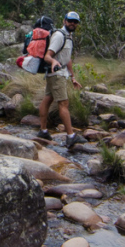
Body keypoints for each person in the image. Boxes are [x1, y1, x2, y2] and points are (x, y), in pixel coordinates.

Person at [37, 11, 83, 147]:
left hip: (60, 74)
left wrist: (73, 77)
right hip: (56, 74)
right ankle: (70, 136)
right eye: (70, 21)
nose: (72, 23)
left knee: (47, 99)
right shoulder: (59, 36)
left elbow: (67, 59)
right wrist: (53, 62)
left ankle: (43, 131)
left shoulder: (69, 37)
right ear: (64, 21)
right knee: (63, 104)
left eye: (75, 22)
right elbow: (47, 56)